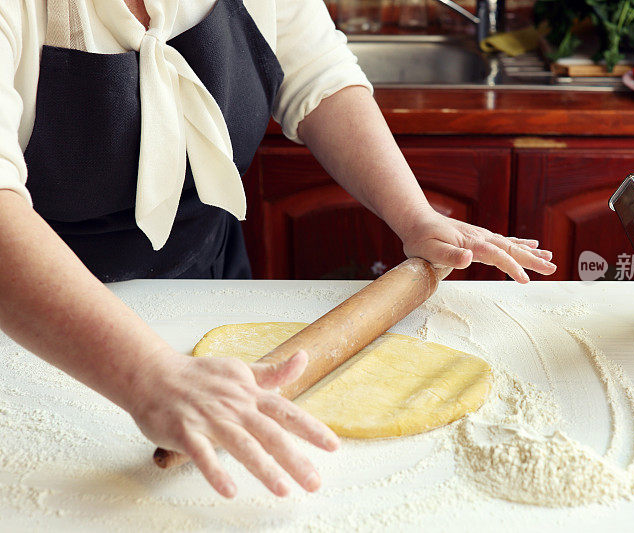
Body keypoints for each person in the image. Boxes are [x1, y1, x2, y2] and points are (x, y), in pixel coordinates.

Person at [0, 0, 557, 499]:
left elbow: (320, 77)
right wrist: (147, 377)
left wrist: (414, 215)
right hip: (44, 326)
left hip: (210, 282)